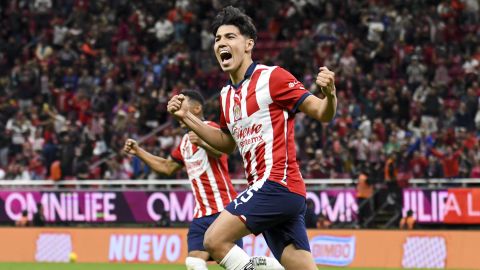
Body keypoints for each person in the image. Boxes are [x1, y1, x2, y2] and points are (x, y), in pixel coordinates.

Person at [167, 6, 337, 270]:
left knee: (213, 239)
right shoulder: (225, 95)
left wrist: (331, 96)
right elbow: (226, 143)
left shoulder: (273, 78)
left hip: (276, 183)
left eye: (230, 36)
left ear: (249, 44)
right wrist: (187, 118)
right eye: (217, 39)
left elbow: (321, 112)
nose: (222, 42)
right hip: (278, 193)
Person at [124, 90, 282, 270]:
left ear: (197, 108)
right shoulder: (184, 141)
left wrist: (202, 142)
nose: (177, 106)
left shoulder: (212, 129)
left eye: (183, 102)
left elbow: (223, 152)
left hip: (224, 209)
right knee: (193, 262)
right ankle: (263, 266)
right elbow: (167, 167)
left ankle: (267, 266)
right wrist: (138, 152)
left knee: (237, 266)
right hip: (201, 214)